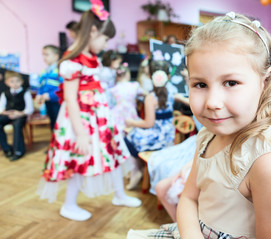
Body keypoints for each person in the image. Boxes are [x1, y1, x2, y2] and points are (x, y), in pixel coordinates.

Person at [126, 12, 271, 239]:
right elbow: (189, 198)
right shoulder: (207, 135)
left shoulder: (270, 161)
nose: (212, 103)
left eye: (231, 82)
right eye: (200, 84)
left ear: (265, 81)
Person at [36, 4, 141, 222]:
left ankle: (120, 195)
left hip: (99, 117)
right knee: (79, 158)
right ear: (93, 32)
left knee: (112, 153)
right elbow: (70, 99)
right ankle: (69, 205)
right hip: (81, 120)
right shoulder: (72, 61)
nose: (105, 44)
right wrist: (81, 133)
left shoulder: (90, 57)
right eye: (104, 39)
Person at [124, 60, 175, 190]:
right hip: (169, 135)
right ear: (168, 76)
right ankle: (138, 170)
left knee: (128, 137)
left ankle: (136, 170)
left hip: (158, 137)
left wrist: (131, 122)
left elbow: (148, 123)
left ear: (149, 76)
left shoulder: (151, 97)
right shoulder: (172, 90)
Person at [0, 71, 34, 161]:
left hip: (21, 115)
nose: (15, 84)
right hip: (8, 114)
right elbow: (1, 108)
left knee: (17, 125)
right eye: (12, 81)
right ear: (7, 82)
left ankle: (18, 151)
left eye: (17, 81)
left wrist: (19, 113)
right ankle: (7, 149)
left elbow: (29, 109)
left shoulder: (25, 93)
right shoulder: (5, 93)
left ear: (22, 82)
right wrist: (6, 113)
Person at [35, 45, 63, 131]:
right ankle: (54, 141)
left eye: (47, 54)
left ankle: (60, 142)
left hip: (58, 102)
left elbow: (63, 87)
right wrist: (39, 94)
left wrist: (51, 95)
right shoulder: (44, 71)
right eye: (43, 55)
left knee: (60, 123)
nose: (44, 57)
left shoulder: (60, 70)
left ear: (56, 56)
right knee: (52, 123)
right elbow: (40, 86)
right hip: (48, 102)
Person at [110, 62, 144, 132]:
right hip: (130, 113)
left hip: (117, 115)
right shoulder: (134, 86)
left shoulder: (113, 90)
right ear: (128, 74)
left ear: (117, 76)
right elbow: (145, 93)